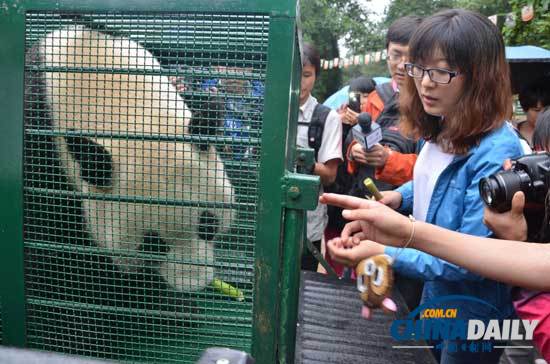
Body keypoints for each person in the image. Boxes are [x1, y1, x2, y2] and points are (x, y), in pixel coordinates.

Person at [337, 9, 525, 364]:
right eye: (419, 68)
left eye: (440, 72)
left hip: (473, 309)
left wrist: (382, 250)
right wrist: (398, 196)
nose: (424, 83)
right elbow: (437, 182)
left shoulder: (497, 150)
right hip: (435, 289)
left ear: (480, 77)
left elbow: (470, 260)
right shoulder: (442, 125)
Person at [347, 16, 422, 187]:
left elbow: (434, 168)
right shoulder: (376, 97)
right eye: (396, 55)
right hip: (366, 194)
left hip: (406, 204)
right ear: (387, 54)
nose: (402, 65)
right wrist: (354, 151)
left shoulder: (433, 104)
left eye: (411, 57)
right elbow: (356, 138)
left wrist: (389, 159)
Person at [297, 43, 343, 271]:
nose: (300, 82)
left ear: (315, 76)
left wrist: (303, 160)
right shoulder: (271, 112)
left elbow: (329, 176)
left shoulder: (328, 118)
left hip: (308, 223)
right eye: (295, 74)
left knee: (300, 281)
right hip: (270, 216)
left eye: (306, 75)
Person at [517, 82, 550, 147]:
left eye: (547, 110)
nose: (542, 115)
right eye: (537, 110)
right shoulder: (512, 133)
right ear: (524, 109)